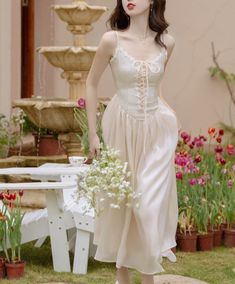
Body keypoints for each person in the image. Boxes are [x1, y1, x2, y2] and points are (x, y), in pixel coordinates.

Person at [85, 0, 180, 283]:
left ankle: (148, 272)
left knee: (148, 204)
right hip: (120, 125)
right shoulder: (110, 40)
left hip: (157, 130)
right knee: (123, 201)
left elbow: (157, 88)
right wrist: (93, 134)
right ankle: (122, 274)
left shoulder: (167, 43)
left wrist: (173, 117)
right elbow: (91, 83)